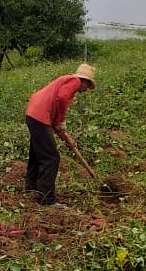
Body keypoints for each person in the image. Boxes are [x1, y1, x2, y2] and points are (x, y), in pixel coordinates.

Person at [24, 63, 96, 208]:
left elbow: (55, 121)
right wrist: (62, 120)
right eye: (87, 87)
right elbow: (62, 99)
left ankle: (31, 187)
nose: (85, 90)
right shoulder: (74, 81)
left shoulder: (63, 83)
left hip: (33, 113)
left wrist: (66, 137)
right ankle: (46, 198)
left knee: (37, 154)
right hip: (39, 116)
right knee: (51, 158)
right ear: (85, 81)